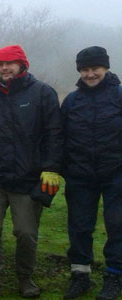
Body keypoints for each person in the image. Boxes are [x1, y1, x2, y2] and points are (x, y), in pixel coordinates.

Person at [0, 45, 63, 298]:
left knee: (25, 232)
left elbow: (54, 133)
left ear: (23, 65)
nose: (4, 68)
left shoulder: (43, 93)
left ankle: (25, 278)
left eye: (9, 63)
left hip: (29, 177)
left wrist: (51, 167)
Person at [61, 46, 122, 300]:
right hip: (80, 175)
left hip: (116, 174)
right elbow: (60, 136)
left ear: (106, 68)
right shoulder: (72, 100)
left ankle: (114, 276)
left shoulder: (119, 96)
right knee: (79, 227)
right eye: (85, 69)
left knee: (117, 225)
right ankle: (80, 275)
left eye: (95, 68)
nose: (90, 74)